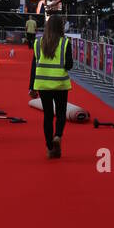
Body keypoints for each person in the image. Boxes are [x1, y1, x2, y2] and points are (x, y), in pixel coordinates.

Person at [29, 12, 73, 159]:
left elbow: (34, 66)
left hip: (42, 84)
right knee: (61, 114)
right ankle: (58, 136)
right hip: (60, 84)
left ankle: (49, 146)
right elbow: (69, 65)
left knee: (48, 115)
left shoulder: (38, 42)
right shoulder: (65, 42)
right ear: (61, 27)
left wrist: (31, 87)